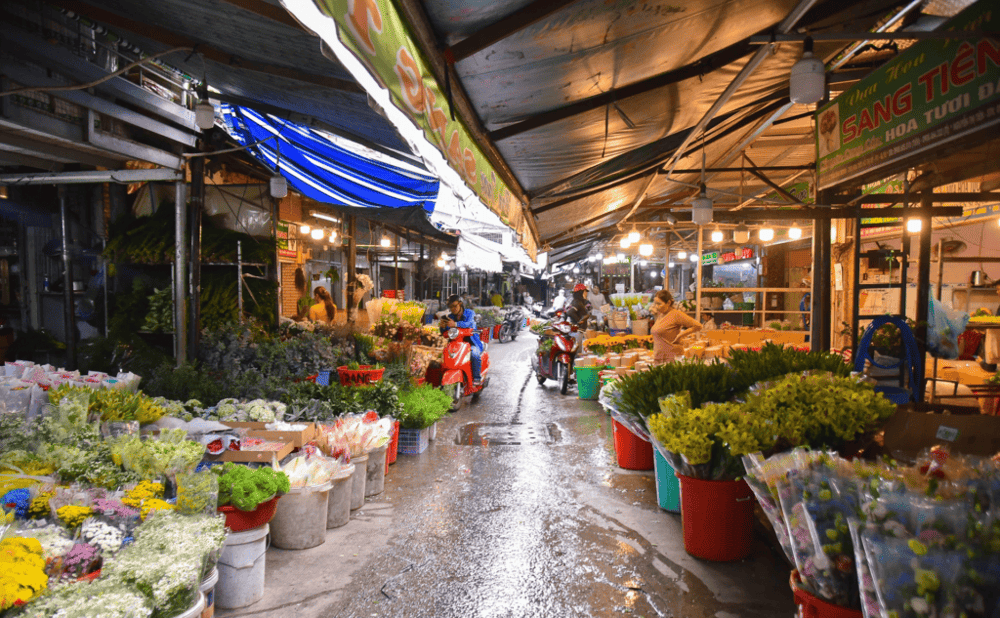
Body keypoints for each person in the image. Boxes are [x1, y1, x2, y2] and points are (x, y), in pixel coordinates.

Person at [440, 294, 484, 385]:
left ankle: (476, 378)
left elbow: (469, 324)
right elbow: (446, 331)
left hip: (471, 342)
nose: (453, 309)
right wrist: (443, 327)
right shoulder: (450, 317)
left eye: (455, 306)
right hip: (456, 343)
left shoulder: (470, 313)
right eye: (451, 307)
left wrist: (455, 324)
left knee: (475, 355)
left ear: (460, 304)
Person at [650, 289, 702, 363]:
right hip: (659, 358)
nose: (656, 306)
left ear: (668, 303)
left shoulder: (676, 315)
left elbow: (698, 326)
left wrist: (681, 334)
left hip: (671, 358)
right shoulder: (660, 314)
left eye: (659, 304)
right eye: (655, 303)